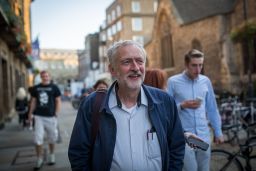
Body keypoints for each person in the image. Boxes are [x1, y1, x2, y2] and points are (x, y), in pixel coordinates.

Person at [68, 40, 185, 171]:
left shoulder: (165, 102)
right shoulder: (92, 104)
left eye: (140, 61)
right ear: (112, 69)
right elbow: (78, 154)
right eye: (127, 62)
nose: (135, 67)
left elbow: (176, 147)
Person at [167, 49, 224, 171]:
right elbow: (167, 111)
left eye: (200, 65)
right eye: (194, 65)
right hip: (186, 137)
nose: (198, 70)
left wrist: (218, 132)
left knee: (203, 169)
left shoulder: (205, 81)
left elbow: (212, 108)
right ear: (186, 65)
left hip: (203, 135)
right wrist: (182, 105)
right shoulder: (173, 82)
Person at [144, 68, 205, 147]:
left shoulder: (162, 109)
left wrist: (186, 135)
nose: (166, 89)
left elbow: (171, 131)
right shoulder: (145, 112)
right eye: (164, 84)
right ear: (155, 86)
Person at [28, 70, 61, 171]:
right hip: (39, 117)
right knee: (38, 138)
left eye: (47, 76)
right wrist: (30, 113)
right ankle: (39, 158)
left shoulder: (54, 87)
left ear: (49, 77)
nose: (45, 77)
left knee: (52, 137)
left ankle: (51, 155)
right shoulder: (36, 88)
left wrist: (56, 113)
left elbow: (58, 100)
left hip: (51, 116)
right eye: (43, 76)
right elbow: (33, 101)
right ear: (41, 77)